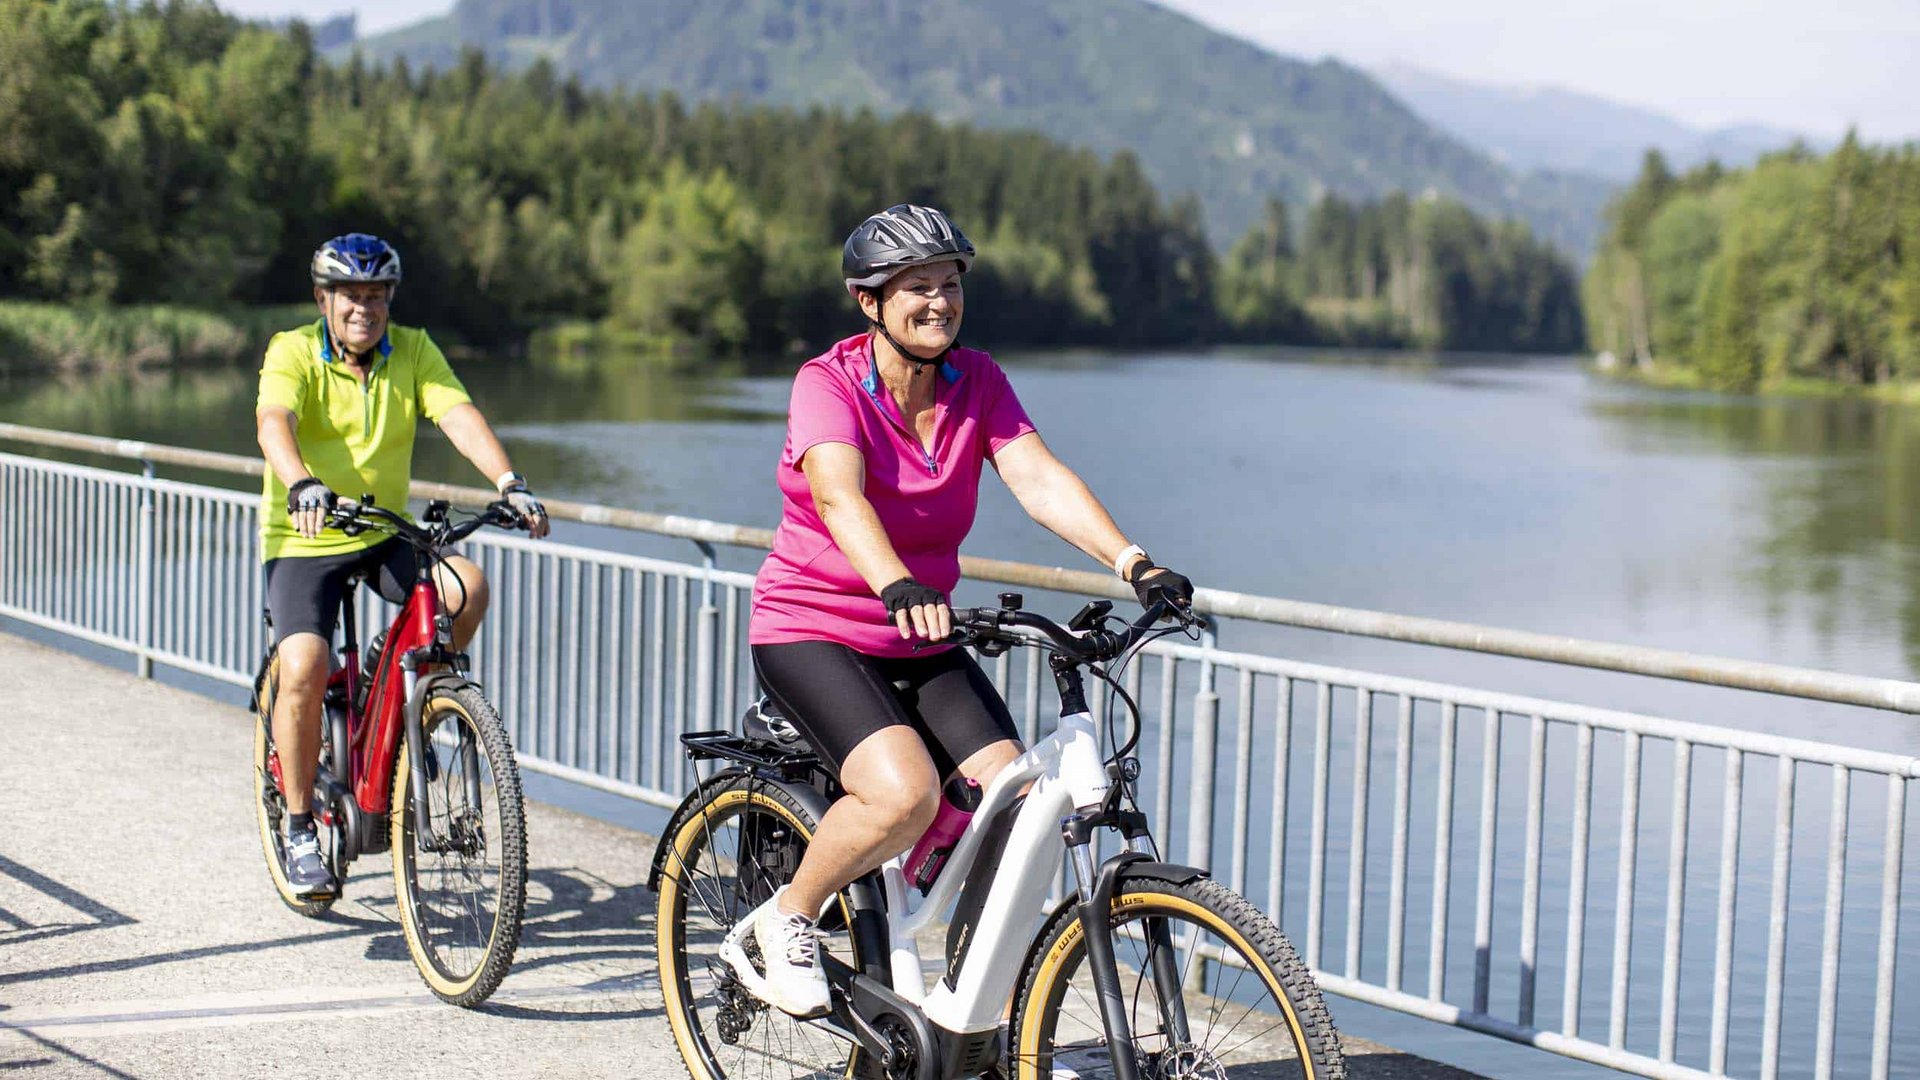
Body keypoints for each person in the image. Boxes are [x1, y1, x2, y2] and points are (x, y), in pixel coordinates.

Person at [740, 204, 1195, 1015]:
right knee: (904, 793)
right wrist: (896, 583)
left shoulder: (977, 380)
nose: (939, 301)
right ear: (869, 300)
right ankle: (787, 918)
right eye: (917, 286)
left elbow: (1038, 478)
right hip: (813, 628)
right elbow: (839, 496)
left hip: (922, 635)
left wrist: (1135, 563)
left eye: (950, 283)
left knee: (1013, 803)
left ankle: (964, 1010)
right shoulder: (828, 383)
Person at [255, 233, 550, 897]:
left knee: (465, 586)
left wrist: (509, 482)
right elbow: (274, 420)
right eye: (350, 296)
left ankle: (404, 697)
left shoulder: (413, 350)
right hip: (306, 535)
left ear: (390, 299)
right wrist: (301, 481)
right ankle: (300, 828)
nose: (364, 308)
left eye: (376, 295)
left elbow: (457, 415)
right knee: (303, 664)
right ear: (323, 300)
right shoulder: (292, 350)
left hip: (382, 528)